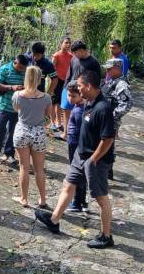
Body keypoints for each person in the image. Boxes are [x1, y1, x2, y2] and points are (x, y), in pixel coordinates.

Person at [35, 70, 116, 249]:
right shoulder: (89, 102)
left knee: (101, 198)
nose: (78, 89)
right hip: (81, 155)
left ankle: (106, 236)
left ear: (88, 86)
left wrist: (94, 159)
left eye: (80, 86)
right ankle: (54, 220)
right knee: (68, 185)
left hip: (96, 161)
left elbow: (108, 138)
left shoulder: (103, 108)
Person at [11, 65, 53, 209]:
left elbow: (16, 109)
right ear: (40, 78)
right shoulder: (46, 97)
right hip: (38, 132)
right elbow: (48, 115)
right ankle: (42, 199)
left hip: (22, 130)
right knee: (39, 169)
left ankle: (24, 199)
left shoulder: (17, 95)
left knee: (24, 166)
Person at [0, 54, 28, 161]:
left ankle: (9, 153)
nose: (22, 70)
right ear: (15, 63)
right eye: (20, 68)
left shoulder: (26, 72)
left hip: (18, 108)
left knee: (13, 131)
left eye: (24, 68)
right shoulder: (5, 69)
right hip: (4, 106)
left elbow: (30, 85)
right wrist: (12, 87)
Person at [60, 41, 101, 141]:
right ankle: (66, 132)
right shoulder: (74, 59)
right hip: (70, 88)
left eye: (75, 52)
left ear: (82, 51)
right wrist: (65, 88)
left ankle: (80, 134)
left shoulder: (93, 62)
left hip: (83, 91)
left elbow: (96, 80)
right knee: (66, 110)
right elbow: (69, 74)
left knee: (80, 112)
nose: (74, 55)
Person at [101, 58, 133, 180]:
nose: (107, 71)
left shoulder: (121, 85)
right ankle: (106, 170)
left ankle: (107, 171)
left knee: (108, 146)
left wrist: (113, 116)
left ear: (118, 68)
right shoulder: (111, 81)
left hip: (111, 121)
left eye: (110, 69)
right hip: (104, 119)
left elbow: (127, 104)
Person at [64, 83, 88, 212]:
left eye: (73, 96)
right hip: (74, 142)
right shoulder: (79, 106)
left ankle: (76, 202)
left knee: (76, 173)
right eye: (68, 95)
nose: (70, 98)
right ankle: (82, 200)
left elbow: (80, 131)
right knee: (81, 172)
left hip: (76, 144)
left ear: (80, 95)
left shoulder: (79, 111)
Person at [51, 37, 73, 134]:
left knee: (61, 102)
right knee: (54, 102)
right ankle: (53, 122)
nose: (68, 45)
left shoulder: (71, 56)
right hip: (57, 80)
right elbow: (51, 69)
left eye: (69, 43)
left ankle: (59, 122)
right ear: (61, 44)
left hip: (66, 81)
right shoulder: (56, 55)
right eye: (66, 43)